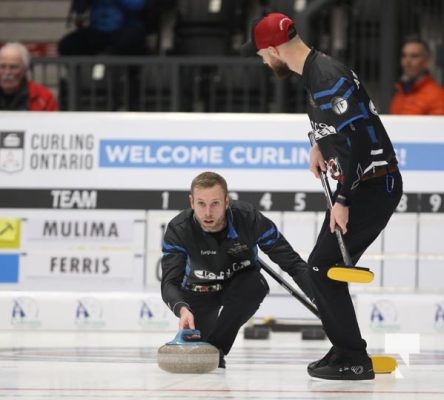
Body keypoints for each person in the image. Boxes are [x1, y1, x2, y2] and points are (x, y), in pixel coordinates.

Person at [240, 13, 403, 380]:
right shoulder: (315, 72)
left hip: (374, 186)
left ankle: (353, 356)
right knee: (324, 269)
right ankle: (345, 348)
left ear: (272, 49)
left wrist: (343, 200)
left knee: (321, 267)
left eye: (262, 55)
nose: (264, 62)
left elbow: (361, 139)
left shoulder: (327, 76)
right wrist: (317, 145)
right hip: (366, 185)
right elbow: (337, 123)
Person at [160, 171, 313, 368]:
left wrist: (323, 301)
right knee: (198, 343)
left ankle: (215, 350)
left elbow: (292, 263)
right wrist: (182, 309)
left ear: (226, 201)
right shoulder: (178, 230)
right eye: (201, 204)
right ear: (191, 202)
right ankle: (209, 348)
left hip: (240, 284)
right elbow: (169, 282)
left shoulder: (249, 219)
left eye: (215, 203)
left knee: (253, 287)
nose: (207, 212)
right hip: (199, 290)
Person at [58, 0, 148, 56]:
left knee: (134, 37)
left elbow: (137, 5)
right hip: (97, 32)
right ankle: (77, 81)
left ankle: (132, 79)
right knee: (67, 45)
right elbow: (79, 9)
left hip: (122, 31)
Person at [390, 36, 444, 115]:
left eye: (414, 56)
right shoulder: (400, 92)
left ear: (427, 61)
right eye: (404, 56)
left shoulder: (437, 96)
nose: (407, 61)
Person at [0, 42, 59, 111]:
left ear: (25, 70)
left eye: (14, 67)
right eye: (2, 66)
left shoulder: (43, 96)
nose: (7, 72)